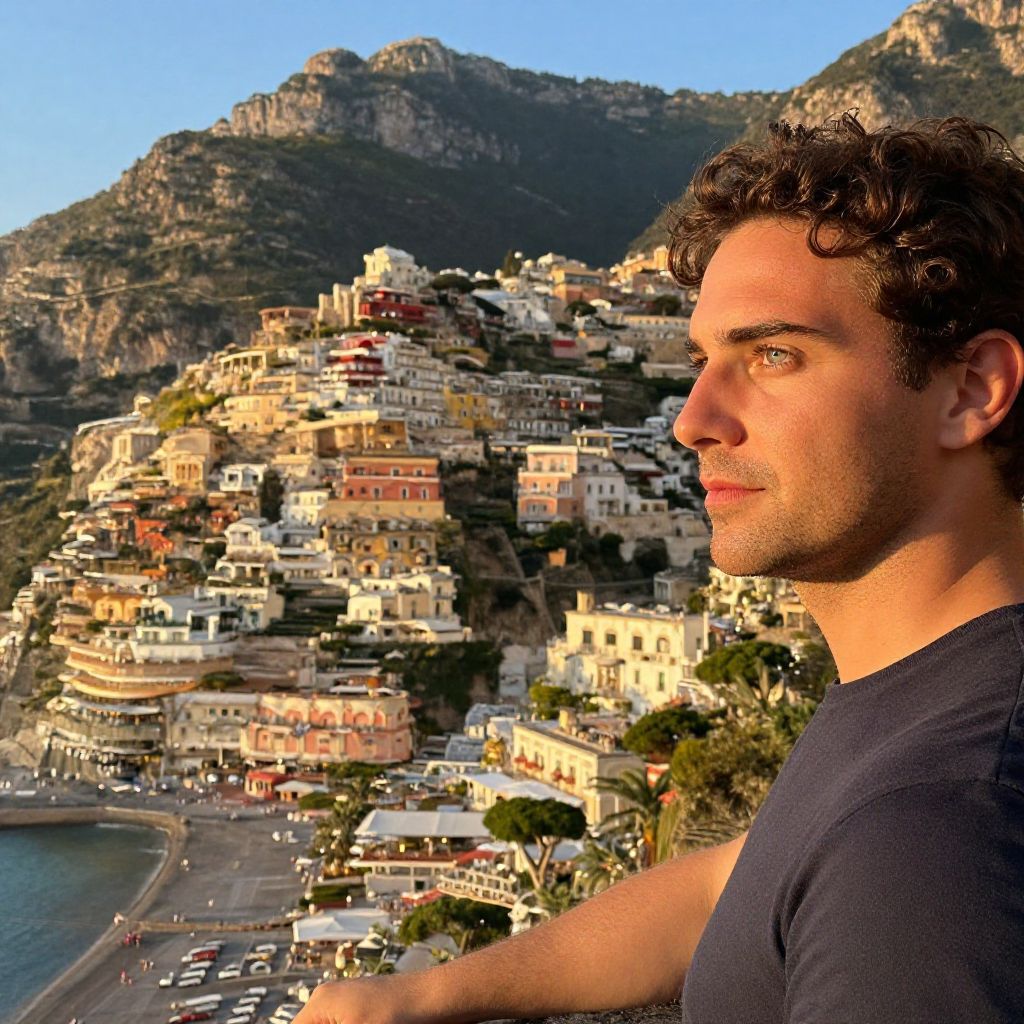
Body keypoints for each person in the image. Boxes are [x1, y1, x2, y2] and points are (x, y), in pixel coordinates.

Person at [292, 113, 1024, 1024]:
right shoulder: (923, 706)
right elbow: (730, 889)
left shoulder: (934, 837)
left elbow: (874, 872)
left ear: (972, 388)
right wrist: (422, 994)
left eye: (773, 355)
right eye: (703, 360)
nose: (693, 418)